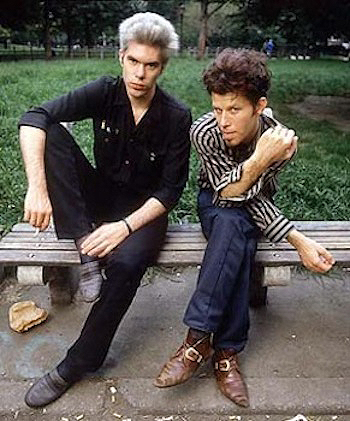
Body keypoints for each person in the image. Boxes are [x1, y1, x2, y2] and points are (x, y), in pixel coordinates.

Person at [19, 12, 191, 408]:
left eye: (151, 66)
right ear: (121, 58)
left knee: (128, 265)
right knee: (52, 134)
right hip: (101, 196)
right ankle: (85, 247)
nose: (140, 74)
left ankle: (78, 362)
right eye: (134, 62)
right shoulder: (105, 92)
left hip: (145, 211)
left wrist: (123, 228)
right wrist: (37, 190)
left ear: (161, 68)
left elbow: (169, 191)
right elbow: (33, 118)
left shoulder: (176, 116)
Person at [154, 48, 335, 407]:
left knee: (236, 228)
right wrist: (296, 236)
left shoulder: (281, 140)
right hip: (214, 200)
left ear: (259, 106)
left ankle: (198, 341)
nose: (223, 120)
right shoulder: (204, 132)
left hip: (253, 208)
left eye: (234, 109)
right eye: (218, 108)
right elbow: (226, 192)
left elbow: (251, 200)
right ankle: (226, 355)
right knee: (231, 220)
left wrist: (266, 162)